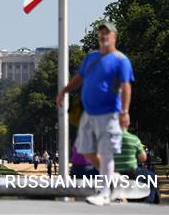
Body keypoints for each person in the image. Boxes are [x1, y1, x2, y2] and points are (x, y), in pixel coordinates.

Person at [57, 21, 135, 206]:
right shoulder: (91, 57)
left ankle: (106, 192)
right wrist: (64, 91)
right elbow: (80, 77)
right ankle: (114, 178)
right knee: (84, 149)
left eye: (107, 33)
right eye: (101, 33)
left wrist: (125, 112)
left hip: (109, 112)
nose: (103, 36)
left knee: (106, 152)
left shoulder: (121, 60)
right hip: (89, 113)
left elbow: (126, 87)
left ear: (114, 37)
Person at [114, 128, 159, 204]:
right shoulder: (133, 139)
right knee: (152, 177)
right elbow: (143, 158)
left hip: (113, 171)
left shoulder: (106, 139)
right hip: (131, 171)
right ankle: (148, 203)